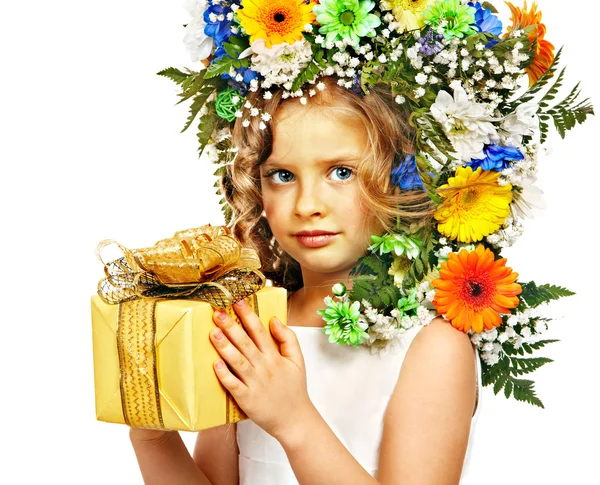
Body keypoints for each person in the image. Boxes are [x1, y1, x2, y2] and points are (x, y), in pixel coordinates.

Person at [129, 75, 481, 485]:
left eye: (341, 172)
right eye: (281, 175)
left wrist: (293, 420)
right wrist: (152, 436)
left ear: (399, 176)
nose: (308, 205)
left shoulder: (433, 347)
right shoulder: (249, 324)